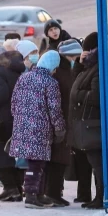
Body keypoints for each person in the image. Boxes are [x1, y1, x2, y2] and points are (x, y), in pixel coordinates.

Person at [9, 51, 66, 209]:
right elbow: (55, 109)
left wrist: (21, 121)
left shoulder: (24, 77)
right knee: (36, 164)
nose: (55, 71)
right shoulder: (50, 82)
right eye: (55, 68)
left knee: (36, 163)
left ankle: (38, 195)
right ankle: (31, 196)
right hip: (40, 129)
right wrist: (59, 128)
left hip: (22, 127)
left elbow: (13, 103)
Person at [44, 39, 85, 206]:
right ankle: (52, 193)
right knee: (58, 158)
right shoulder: (62, 72)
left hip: (63, 120)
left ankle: (53, 192)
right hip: (61, 121)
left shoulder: (65, 70)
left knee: (60, 158)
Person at [0, 46, 26, 202]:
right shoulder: (16, 70)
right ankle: (17, 188)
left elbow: (1, 95)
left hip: (1, 121)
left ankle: (10, 188)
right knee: (12, 155)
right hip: (17, 118)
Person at [68, 32, 104, 210]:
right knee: (94, 162)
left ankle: (101, 196)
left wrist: (78, 95)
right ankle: (98, 196)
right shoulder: (89, 67)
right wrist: (79, 65)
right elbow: (75, 82)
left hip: (93, 123)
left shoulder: (98, 68)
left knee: (97, 163)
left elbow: (96, 95)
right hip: (87, 123)